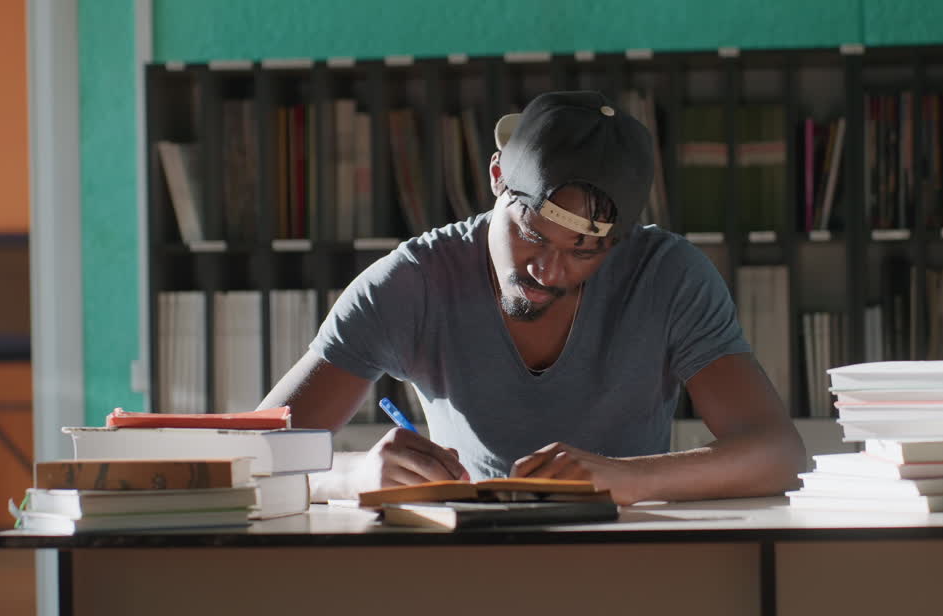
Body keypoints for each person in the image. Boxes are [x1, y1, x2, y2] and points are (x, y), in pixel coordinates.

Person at [258, 90, 804, 504]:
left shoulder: (668, 275)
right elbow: (257, 456)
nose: (548, 269)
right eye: (534, 233)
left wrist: (625, 478)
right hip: (466, 565)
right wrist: (358, 475)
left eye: (585, 252)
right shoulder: (412, 282)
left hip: (629, 560)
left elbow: (779, 453)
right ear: (496, 177)